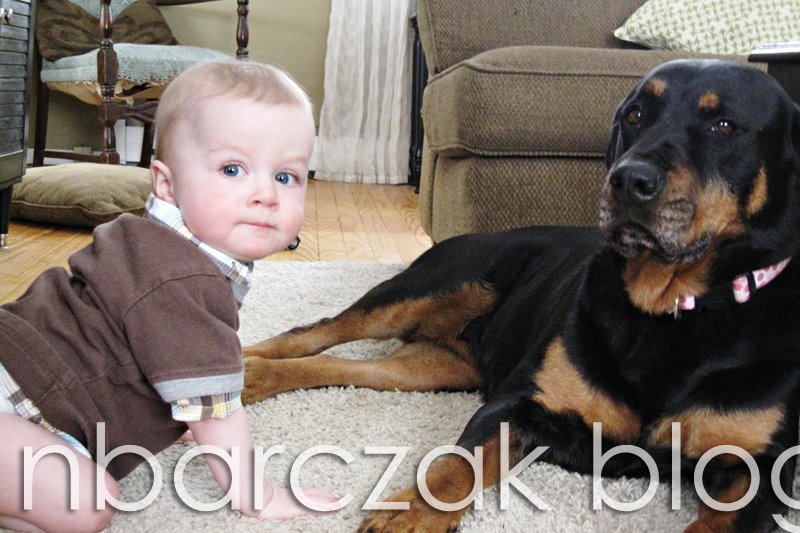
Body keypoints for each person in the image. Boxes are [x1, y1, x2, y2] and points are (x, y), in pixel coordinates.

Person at [0, 60, 337, 531]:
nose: (266, 193)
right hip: (18, 394)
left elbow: (143, 349)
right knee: (86, 504)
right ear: (167, 184)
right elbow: (214, 407)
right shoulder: (180, 279)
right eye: (233, 169)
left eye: (286, 177)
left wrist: (173, 413)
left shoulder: (159, 250)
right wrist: (255, 495)